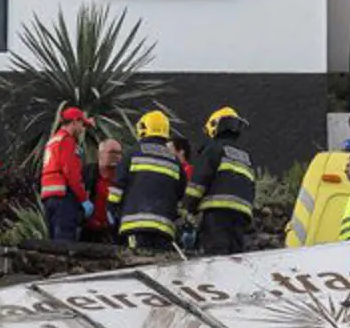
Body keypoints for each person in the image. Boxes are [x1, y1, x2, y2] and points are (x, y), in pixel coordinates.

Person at [182, 106, 257, 256]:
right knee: (235, 257)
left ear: (216, 126)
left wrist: (188, 206)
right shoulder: (246, 157)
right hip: (241, 216)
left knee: (216, 256)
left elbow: (199, 182)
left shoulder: (213, 149)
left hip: (217, 214)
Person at [110, 110, 187, 252]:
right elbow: (182, 193)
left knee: (137, 261)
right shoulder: (175, 161)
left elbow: (117, 187)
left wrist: (111, 210)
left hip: (134, 225)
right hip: (164, 229)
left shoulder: (132, 153)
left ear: (143, 128)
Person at [39, 106, 95, 243]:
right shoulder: (67, 141)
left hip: (49, 197)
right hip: (63, 198)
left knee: (54, 243)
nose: (82, 130)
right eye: (82, 124)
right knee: (65, 243)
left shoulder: (53, 140)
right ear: (75, 121)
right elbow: (72, 174)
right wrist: (83, 199)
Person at [80, 138, 122, 243]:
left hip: (113, 234)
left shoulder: (123, 179)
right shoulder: (87, 174)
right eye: (112, 152)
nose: (116, 157)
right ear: (100, 154)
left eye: (119, 153)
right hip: (87, 232)